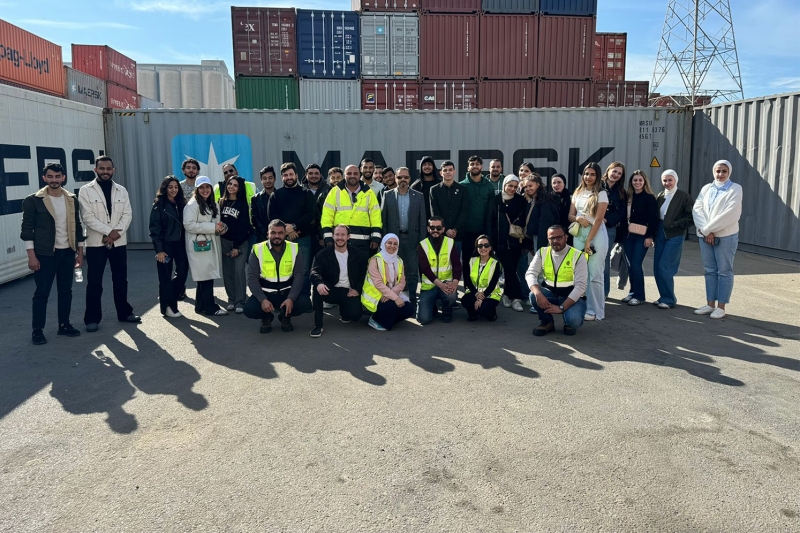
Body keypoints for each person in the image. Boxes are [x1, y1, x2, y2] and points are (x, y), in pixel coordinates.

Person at [21, 163, 85, 345]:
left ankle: (64, 325)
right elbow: (27, 229)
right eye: (50, 176)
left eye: (57, 176)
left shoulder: (71, 199)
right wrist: (31, 255)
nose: (54, 180)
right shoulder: (33, 200)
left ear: (63, 177)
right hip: (44, 254)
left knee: (66, 291)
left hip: (67, 252)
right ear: (44, 178)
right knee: (42, 292)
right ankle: (37, 330)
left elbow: (77, 226)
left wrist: (80, 252)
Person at [78, 156, 139, 331]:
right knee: (94, 282)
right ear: (95, 170)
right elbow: (87, 217)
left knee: (120, 279)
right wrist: (109, 232)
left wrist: (115, 234)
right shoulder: (85, 191)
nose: (105, 172)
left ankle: (124, 313)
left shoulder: (121, 190)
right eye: (102, 168)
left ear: (113, 170)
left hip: (118, 242)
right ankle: (92, 319)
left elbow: (127, 214)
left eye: (108, 169)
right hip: (96, 243)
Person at [692, 160, 742, 319]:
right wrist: (706, 230)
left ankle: (721, 307)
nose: (720, 174)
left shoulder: (735, 189)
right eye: (718, 171)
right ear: (713, 171)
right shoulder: (706, 188)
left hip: (725, 236)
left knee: (724, 271)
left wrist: (708, 230)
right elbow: (697, 209)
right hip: (705, 235)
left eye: (724, 171)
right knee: (709, 270)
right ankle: (710, 304)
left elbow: (730, 214)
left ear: (729, 172)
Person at [244, 219, 312, 333]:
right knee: (249, 309)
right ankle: (266, 317)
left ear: (285, 234)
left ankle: (285, 316)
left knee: (305, 303)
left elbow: (299, 276)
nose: (277, 236)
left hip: (286, 292)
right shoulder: (257, 249)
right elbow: (252, 278)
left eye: (280, 233)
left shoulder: (294, 248)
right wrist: (262, 299)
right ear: (268, 233)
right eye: (273, 233)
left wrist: (291, 298)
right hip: (266, 292)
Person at [526, 225, 588, 336]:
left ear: (566, 237)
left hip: (571, 296)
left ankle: (569, 323)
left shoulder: (578, 255)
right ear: (548, 239)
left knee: (574, 321)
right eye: (552, 238)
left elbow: (581, 286)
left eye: (559, 237)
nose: (555, 241)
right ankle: (547, 322)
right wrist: (538, 293)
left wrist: (562, 308)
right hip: (551, 294)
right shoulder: (542, 252)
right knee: (533, 295)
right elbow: (530, 273)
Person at [309, 224, 368, 337]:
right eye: (337, 234)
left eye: (343, 235)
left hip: (349, 291)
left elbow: (364, 275)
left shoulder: (358, 254)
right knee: (317, 289)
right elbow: (314, 272)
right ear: (333, 236)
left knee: (355, 316)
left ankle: (344, 311)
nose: (340, 238)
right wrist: (319, 283)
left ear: (348, 236)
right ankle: (318, 325)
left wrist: (357, 290)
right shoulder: (323, 254)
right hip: (331, 289)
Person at [381, 167, 426, 307]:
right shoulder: (387, 195)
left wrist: (421, 242)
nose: (403, 180)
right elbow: (383, 220)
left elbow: (422, 221)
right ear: (395, 178)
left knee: (412, 272)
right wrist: (385, 241)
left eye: (405, 177)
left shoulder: (418, 196)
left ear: (410, 179)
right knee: (393, 272)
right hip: (393, 241)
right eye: (400, 177)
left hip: (412, 239)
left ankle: (412, 300)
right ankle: (394, 299)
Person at [568, 162, 608, 321]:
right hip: (578, 233)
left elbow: (598, 220)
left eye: (592, 174)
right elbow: (570, 215)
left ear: (597, 176)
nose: (588, 177)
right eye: (586, 174)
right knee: (581, 273)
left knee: (595, 274)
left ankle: (596, 311)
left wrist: (588, 241)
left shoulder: (601, 194)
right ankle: (584, 306)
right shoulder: (577, 192)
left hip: (595, 234)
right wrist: (577, 218)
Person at [184, 176, 227, 316]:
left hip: (210, 244)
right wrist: (212, 227)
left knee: (205, 277)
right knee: (205, 277)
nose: (205, 190)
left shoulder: (213, 204)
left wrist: (220, 227)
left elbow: (216, 222)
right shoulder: (192, 205)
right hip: (199, 246)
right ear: (196, 189)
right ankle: (211, 307)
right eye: (201, 187)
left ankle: (200, 305)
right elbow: (188, 225)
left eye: (207, 187)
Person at [273, 162, 316, 298]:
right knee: (284, 271)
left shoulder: (306, 193)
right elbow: (272, 216)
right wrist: (285, 230)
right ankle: (286, 299)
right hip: (282, 240)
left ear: (296, 175)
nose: (289, 177)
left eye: (291, 174)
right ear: (282, 177)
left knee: (304, 271)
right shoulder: (276, 194)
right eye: (285, 175)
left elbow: (310, 214)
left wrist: (294, 227)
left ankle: (304, 300)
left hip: (303, 238)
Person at [149, 175, 189, 319]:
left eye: (176, 187)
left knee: (183, 273)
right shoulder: (159, 205)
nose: (173, 190)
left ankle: (167, 297)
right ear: (165, 189)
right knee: (165, 277)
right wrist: (159, 250)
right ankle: (169, 307)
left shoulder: (182, 204)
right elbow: (155, 229)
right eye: (170, 187)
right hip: (165, 245)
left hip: (180, 245)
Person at [321, 164, 382, 257]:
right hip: (340, 241)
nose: (352, 176)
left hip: (363, 242)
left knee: (362, 266)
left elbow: (375, 216)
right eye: (349, 173)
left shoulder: (369, 193)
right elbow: (327, 216)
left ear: (359, 175)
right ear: (344, 175)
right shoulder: (334, 192)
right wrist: (328, 237)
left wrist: (376, 238)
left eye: (355, 173)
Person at [653, 170, 694, 309]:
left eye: (670, 180)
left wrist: (674, 224)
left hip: (675, 234)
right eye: (664, 180)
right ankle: (663, 296)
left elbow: (691, 218)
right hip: (660, 232)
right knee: (657, 267)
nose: (667, 183)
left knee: (665, 267)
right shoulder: (660, 196)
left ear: (676, 180)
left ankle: (669, 299)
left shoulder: (684, 196)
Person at [489, 175, 528, 312]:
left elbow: (524, 221)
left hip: (515, 241)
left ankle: (508, 295)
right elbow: (490, 221)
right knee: (508, 269)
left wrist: (525, 243)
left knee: (510, 269)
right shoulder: (496, 200)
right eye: (510, 186)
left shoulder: (520, 201)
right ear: (504, 185)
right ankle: (515, 298)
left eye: (515, 187)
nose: (512, 189)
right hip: (499, 242)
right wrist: (490, 242)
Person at [362, 234, 415, 331]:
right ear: (383, 244)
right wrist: (395, 298)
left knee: (409, 309)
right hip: (376, 295)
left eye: (395, 244)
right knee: (392, 306)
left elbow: (402, 282)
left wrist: (391, 294)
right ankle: (375, 319)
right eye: (389, 243)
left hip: (389, 294)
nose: (392, 246)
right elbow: (378, 283)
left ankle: (386, 319)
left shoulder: (399, 260)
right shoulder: (375, 260)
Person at [621, 170, 659, 306]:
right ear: (631, 182)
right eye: (635, 180)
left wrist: (650, 237)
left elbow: (653, 219)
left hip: (642, 236)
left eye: (640, 180)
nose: (637, 182)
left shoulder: (649, 198)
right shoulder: (628, 197)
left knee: (636, 264)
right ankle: (632, 293)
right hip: (628, 236)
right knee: (630, 265)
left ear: (644, 182)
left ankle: (640, 296)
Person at [417, 216, 462, 325]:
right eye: (432, 228)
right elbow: (425, 269)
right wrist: (440, 285)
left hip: (446, 284)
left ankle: (447, 313)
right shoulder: (422, 244)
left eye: (438, 228)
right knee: (423, 319)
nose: (435, 230)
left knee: (451, 296)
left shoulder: (450, 242)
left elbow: (457, 264)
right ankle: (432, 307)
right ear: (428, 229)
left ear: (443, 229)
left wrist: (455, 282)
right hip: (429, 287)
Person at [219, 175, 253, 313]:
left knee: (239, 271)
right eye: (229, 184)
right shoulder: (221, 202)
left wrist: (235, 246)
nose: (231, 187)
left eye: (235, 185)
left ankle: (240, 301)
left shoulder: (242, 204)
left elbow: (243, 227)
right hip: (224, 241)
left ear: (239, 188)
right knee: (228, 272)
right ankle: (231, 299)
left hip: (240, 242)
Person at [523, 171, 560, 286]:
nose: (528, 188)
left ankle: (542, 291)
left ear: (537, 185)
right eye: (526, 186)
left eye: (530, 186)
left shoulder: (544, 200)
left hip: (543, 238)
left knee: (541, 266)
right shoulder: (532, 200)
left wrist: (540, 245)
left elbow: (545, 223)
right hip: (536, 237)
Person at [459, 155, 495, 266]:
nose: (475, 166)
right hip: (466, 232)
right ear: (468, 167)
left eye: (477, 164)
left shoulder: (489, 186)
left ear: (481, 167)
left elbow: (491, 210)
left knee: (483, 262)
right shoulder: (461, 186)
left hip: (483, 231)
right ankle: (467, 279)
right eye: (472, 164)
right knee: (466, 262)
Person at [601, 162, 628, 299]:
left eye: (619, 173)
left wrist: (607, 220)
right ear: (608, 170)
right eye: (614, 171)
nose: (616, 175)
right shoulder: (597, 186)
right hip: (592, 225)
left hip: (609, 228)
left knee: (604, 258)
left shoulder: (621, 192)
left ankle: (604, 292)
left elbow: (622, 212)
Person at [430, 160, 469, 256]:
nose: (448, 172)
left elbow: (464, 211)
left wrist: (455, 229)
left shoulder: (462, 190)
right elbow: (435, 212)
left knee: (455, 262)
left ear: (454, 172)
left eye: (450, 170)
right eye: (445, 170)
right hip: (440, 234)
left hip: (457, 235)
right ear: (441, 173)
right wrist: (446, 229)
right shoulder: (434, 190)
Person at [462, 235, 502, 322]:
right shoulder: (471, 261)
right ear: (477, 248)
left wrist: (480, 299)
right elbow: (467, 280)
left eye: (486, 245)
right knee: (466, 300)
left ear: (490, 248)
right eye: (480, 246)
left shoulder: (495, 263)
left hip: (490, 294)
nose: (483, 248)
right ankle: (473, 314)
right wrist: (476, 293)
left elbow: (493, 284)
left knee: (483, 308)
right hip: (474, 292)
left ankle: (492, 314)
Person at [302, 163, 331, 260]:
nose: (313, 176)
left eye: (316, 173)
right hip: (305, 235)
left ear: (320, 175)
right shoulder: (300, 190)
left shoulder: (328, 190)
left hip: (323, 235)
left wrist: (322, 236)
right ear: (306, 175)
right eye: (310, 173)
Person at [411, 155, 441, 221]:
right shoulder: (415, 186)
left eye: (429, 164)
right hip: (421, 222)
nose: (427, 166)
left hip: (438, 223)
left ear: (433, 167)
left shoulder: (440, 184)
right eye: (424, 164)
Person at [251, 166, 277, 243]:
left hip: (279, 236)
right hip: (262, 238)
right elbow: (255, 219)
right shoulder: (255, 199)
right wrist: (267, 233)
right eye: (264, 178)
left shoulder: (281, 196)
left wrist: (275, 232)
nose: (267, 181)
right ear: (261, 180)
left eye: (270, 178)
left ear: (274, 179)